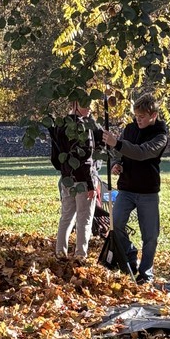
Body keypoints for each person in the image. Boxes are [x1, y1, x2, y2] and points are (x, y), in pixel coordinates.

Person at [102, 92, 168, 284]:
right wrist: (116, 163)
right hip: (126, 189)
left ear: (153, 116)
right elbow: (118, 152)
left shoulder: (160, 136)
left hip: (148, 191)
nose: (137, 120)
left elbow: (141, 153)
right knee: (115, 224)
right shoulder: (130, 129)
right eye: (136, 116)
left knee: (150, 236)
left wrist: (117, 143)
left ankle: (146, 273)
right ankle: (130, 255)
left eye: (142, 117)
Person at [50, 101, 103, 260]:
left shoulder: (60, 127)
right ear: (75, 104)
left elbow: (55, 157)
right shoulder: (83, 128)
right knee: (84, 219)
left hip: (67, 178)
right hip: (83, 180)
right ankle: (80, 255)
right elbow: (86, 159)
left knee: (66, 217)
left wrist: (65, 171)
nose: (89, 109)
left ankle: (60, 252)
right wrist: (91, 184)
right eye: (86, 105)